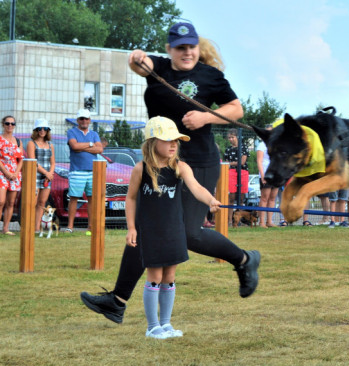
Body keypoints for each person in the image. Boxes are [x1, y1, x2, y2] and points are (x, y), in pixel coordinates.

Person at [80, 21, 260, 325]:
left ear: (197, 47)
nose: (186, 52)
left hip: (199, 160)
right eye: (179, 47)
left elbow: (235, 109)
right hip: (160, 161)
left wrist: (205, 117)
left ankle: (243, 260)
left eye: (191, 46)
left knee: (189, 234)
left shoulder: (210, 76)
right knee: (145, 228)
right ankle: (118, 301)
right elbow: (141, 64)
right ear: (169, 50)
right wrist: (135, 56)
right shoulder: (160, 67)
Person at [126, 117, 221, 339]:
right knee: (155, 276)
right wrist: (131, 228)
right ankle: (152, 327)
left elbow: (197, 188)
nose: (173, 145)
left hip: (173, 229)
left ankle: (166, 324)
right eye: (168, 140)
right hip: (151, 231)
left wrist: (210, 200)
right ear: (152, 142)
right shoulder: (140, 169)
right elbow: (130, 199)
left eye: (176, 141)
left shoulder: (180, 167)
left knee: (169, 276)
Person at [65, 108, 103, 234]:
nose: (84, 121)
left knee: (92, 198)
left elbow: (100, 149)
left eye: (86, 118)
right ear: (77, 120)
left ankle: (91, 227)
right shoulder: (71, 132)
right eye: (81, 118)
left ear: (89, 120)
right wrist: (91, 145)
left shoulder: (94, 134)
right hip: (77, 171)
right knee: (74, 198)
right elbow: (74, 146)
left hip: (93, 171)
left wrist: (84, 146)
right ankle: (70, 226)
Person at [26, 119, 56, 233]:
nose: (42, 131)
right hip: (35, 175)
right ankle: (28, 227)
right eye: (39, 128)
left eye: (45, 128)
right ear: (36, 130)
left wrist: (50, 174)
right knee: (32, 202)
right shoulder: (31, 143)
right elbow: (33, 162)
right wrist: (46, 173)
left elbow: (53, 162)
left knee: (42, 202)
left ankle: (37, 228)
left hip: (47, 177)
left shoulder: (50, 145)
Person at [0, 115, 23, 235]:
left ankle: (6, 228)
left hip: (14, 175)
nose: (10, 126)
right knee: (1, 201)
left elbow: (21, 159)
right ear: (3, 124)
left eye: (12, 124)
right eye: (7, 123)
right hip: (2, 172)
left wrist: (16, 173)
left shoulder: (18, 141)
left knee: (10, 203)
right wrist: (7, 172)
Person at [223, 129, 249, 227]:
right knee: (232, 197)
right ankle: (229, 220)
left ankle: (238, 220)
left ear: (237, 137)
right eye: (229, 137)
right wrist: (233, 163)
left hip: (243, 172)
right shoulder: (228, 149)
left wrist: (231, 163)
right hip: (231, 172)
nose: (231, 139)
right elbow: (226, 163)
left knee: (241, 198)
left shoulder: (244, 147)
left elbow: (242, 162)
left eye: (232, 137)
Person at [255, 125, 279, 228]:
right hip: (266, 174)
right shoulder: (261, 145)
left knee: (273, 198)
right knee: (264, 198)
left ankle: (269, 221)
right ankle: (261, 222)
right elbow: (259, 161)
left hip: (275, 175)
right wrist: (263, 176)